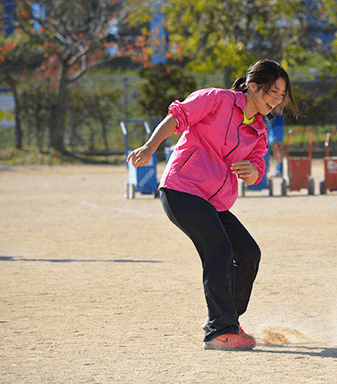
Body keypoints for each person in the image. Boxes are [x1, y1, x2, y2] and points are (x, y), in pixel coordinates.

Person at [127, 59, 299, 350]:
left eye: (282, 96)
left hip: (214, 202)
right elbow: (177, 116)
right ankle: (220, 330)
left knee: (248, 253)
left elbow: (258, 166)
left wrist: (254, 172)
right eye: (273, 92)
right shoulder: (216, 99)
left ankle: (228, 319)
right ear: (254, 86)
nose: (277, 100)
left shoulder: (258, 129)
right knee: (218, 248)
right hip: (182, 190)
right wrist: (150, 147)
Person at [267, 103, 286, 177]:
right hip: (272, 124)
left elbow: (279, 109)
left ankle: (283, 169)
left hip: (277, 123)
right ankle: (279, 169)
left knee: (279, 147)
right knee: (275, 147)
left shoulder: (278, 99)